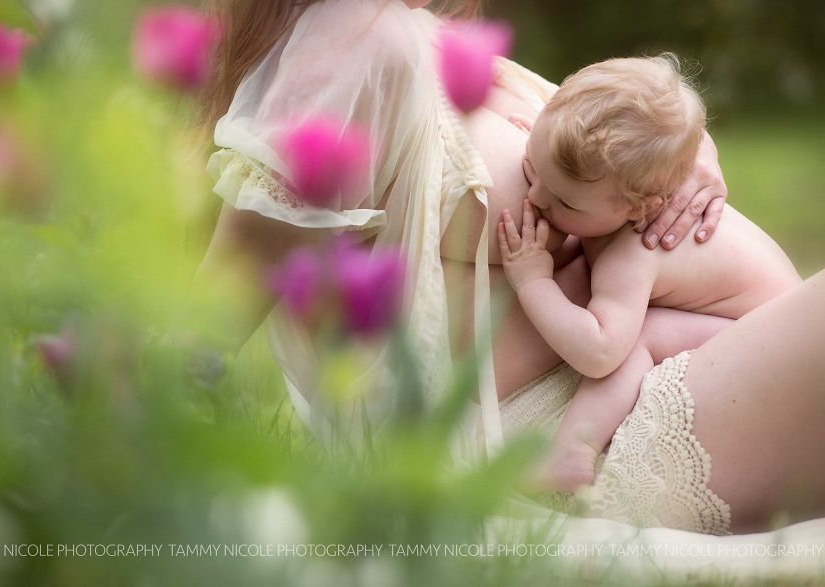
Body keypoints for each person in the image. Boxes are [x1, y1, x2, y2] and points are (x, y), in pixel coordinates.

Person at [195, 0, 824, 535]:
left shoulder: (429, 39)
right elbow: (235, 277)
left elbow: (623, 123)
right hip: (581, 423)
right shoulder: (353, 38)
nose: (539, 195)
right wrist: (166, 391)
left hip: (672, 362)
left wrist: (694, 153)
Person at [495, 55, 800, 494]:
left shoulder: (635, 250)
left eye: (565, 202)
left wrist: (533, 281)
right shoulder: (619, 184)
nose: (538, 197)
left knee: (636, 336)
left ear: (640, 208)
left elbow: (598, 351)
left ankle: (571, 453)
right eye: (532, 167)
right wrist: (548, 162)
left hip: (760, 340)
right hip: (769, 314)